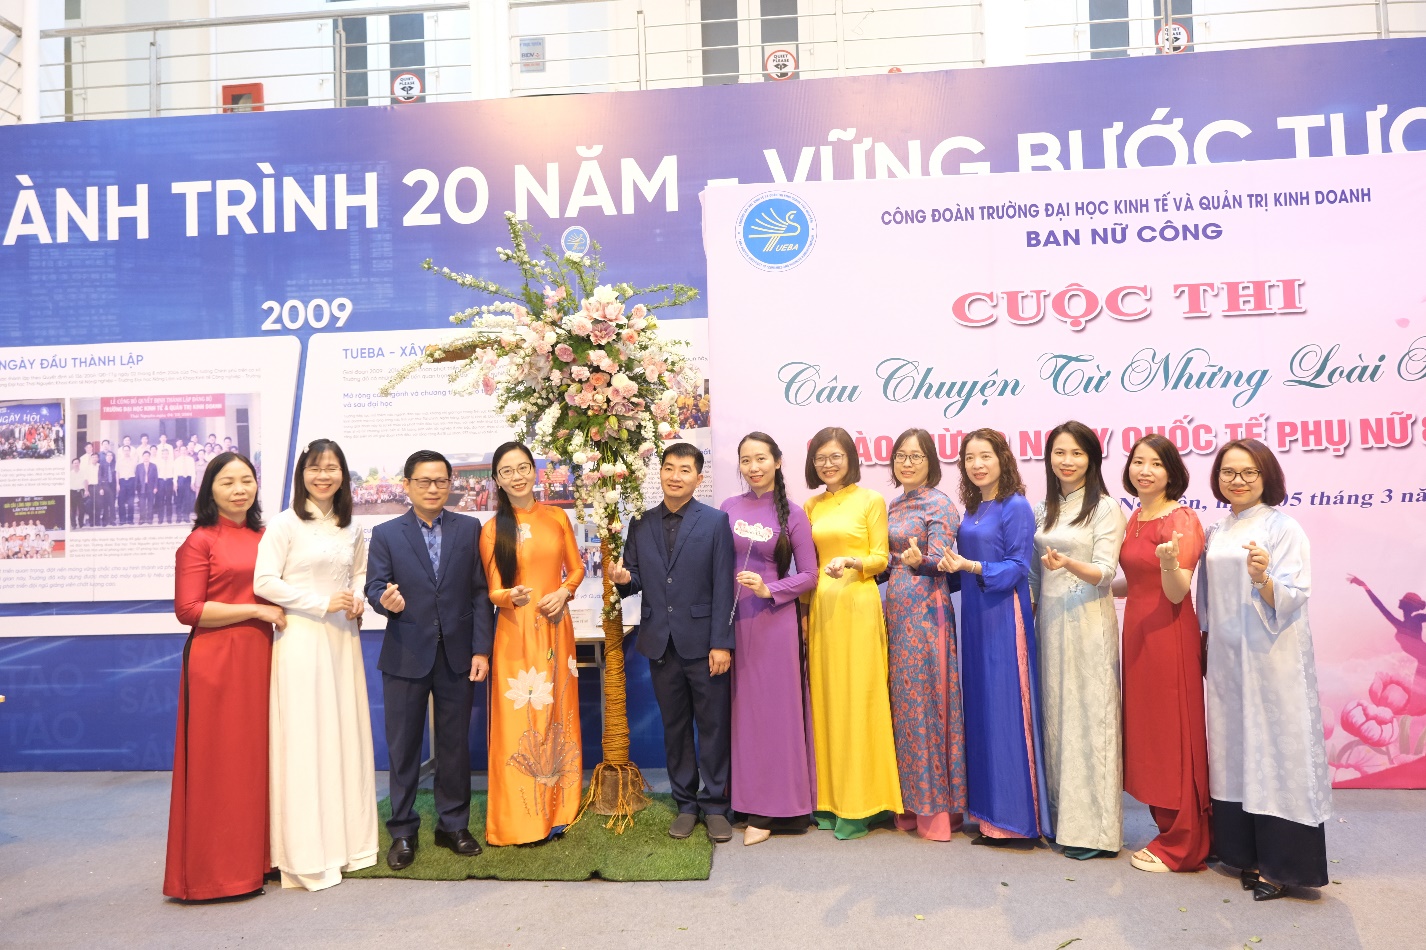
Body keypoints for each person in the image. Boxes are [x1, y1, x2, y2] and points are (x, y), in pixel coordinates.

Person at [1200, 439, 1331, 900]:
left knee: (1274, 749)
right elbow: (1205, 598)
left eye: (1248, 472)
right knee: (1234, 747)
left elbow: (1294, 596)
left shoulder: (1283, 528)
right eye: (1228, 472)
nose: (1237, 480)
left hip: (1271, 659)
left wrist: (1262, 578)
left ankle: (1281, 865)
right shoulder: (1217, 529)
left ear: (1266, 476)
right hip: (1227, 662)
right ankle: (1242, 853)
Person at [254, 438, 377, 891]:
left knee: (343, 733)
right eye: (314, 468)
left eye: (332, 468)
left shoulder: (352, 527)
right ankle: (307, 852)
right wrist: (320, 603)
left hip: (343, 638)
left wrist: (357, 598)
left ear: (343, 475)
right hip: (302, 638)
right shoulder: (284, 524)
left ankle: (350, 845)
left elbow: (359, 573)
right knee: (306, 738)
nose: (323, 476)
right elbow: (264, 582)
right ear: (301, 474)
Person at [165, 452, 283, 901]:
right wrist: (256, 610)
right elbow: (189, 610)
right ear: (210, 489)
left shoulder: (266, 536)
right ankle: (216, 873)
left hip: (263, 657)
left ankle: (260, 860)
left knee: (258, 760)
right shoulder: (199, 541)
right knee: (221, 763)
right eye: (227, 481)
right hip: (216, 660)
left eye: (246, 480)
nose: (239, 489)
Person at [366, 449, 493, 868]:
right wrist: (385, 601)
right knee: (404, 748)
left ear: (450, 484)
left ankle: (453, 825)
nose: (433, 488)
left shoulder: (469, 528)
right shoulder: (386, 533)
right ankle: (402, 831)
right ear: (407, 485)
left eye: (441, 481)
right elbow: (375, 587)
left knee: (454, 746)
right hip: (405, 653)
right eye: (424, 481)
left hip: (457, 653)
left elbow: (479, 592)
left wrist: (480, 649)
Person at [611, 443, 736, 842]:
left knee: (713, 726)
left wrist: (722, 643)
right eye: (669, 468)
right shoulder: (641, 523)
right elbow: (636, 578)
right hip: (660, 643)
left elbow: (724, 586)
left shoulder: (715, 522)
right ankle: (685, 803)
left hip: (705, 644)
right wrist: (623, 580)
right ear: (660, 472)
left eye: (685, 469)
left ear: (699, 478)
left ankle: (715, 805)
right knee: (675, 726)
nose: (675, 476)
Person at [936, 428, 1053, 847]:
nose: (977, 464)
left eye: (985, 455)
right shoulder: (973, 508)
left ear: (1002, 458)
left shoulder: (1015, 505)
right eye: (969, 458)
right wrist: (940, 566)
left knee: (1007, 709)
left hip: (1005, 616)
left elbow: (1019, 566)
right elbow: (962, 567)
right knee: (982, 710)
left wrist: (971, 567)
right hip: (974, 617)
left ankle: (1015, 819)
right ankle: (987, 815)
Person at [479, 442, 585, 845]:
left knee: (558, 712)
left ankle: (559, 811)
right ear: (497, 480)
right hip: (515, 631)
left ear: (534, 471)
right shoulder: (493, 530)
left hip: (556, 626)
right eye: (507, 471)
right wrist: (512, 596)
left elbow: (576, 570)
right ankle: (521, 819)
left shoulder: (557, 517)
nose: (517, 476)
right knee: (520, 720)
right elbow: (494, 590)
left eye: (523, 467)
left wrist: (564, 592)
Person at [1030, 421, 1126, 860]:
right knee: (1057, 717)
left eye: (1077, 453)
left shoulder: (1105, 508)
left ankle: (1096, 833)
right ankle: (1062, 821)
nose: (1067, 461)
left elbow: (1106, 572)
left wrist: (1068, 562)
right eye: (1059, 453)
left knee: (1090, 719)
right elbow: (1034, 574)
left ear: (1092, 459)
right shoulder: (1043, 509)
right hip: (1050, 624)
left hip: (1088, 623)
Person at [802, 426, 902, 840]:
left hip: (859, 603)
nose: (828, 464)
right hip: (823, 606)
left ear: (850, 459)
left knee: (861, 698)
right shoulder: (810, 505)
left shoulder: (871, 500)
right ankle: (829, 800)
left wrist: (852, 562)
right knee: (827, 699)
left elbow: (882, 558)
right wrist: (803, 612)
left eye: (836, 456)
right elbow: (807, 565)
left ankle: (864, 804)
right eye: (821, 458)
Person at [720, 432, 819, 845]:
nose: (753, 467)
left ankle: (774, 807)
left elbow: (810, 575)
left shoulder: (793, 513)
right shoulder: (728, 507)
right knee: (743, 715)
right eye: (746, 460)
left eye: (761, 458)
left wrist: (769, 589)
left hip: (774, 623)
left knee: (775, 715)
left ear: (777, 461)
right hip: (735, 622)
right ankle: (745, 800)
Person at [1118, 433, 1210, 874]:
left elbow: (1176, 591)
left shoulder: (1182, 520)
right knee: (1151, 733)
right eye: (1138, 461)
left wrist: (1171, 563)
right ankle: (1167, 829)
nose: (1145, 470)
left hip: (1169, 636)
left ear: (1172, 472)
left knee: (1175, 734)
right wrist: (1081, 577)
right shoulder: (1136, 516)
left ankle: (1185, 842)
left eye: (1156, 463)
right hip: (1137, 634)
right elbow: (1134, 581)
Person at [884, 427, 966, 842]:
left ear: (930, 461)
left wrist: (922, 561)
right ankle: (911, 803)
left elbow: (944, 558)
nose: (907, 462)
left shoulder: (940, 503)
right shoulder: (894, 504)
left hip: (926, 611)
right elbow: (888, 560)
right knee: (904, 706)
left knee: (928, 703)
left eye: (916, 456)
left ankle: (937, 810)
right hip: (897, 613)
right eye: (901, 455)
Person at [135, 450, 159, 525]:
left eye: (147, 456)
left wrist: (155, 487)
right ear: (142, 457)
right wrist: (136, 488)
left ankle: (149, 519)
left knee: (150, 504)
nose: (146, 457)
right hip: (141, 487)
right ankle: (142, 519)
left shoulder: (153, 466)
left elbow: (156, 477)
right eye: (144, 456)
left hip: (150, 487)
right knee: (142, 504)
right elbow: (136, 478)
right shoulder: (139, 466)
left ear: (149, 457)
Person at [117, 441, 137, 525]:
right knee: (121, 502)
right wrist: (117, 484)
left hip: (131, 481)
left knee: (130, 502)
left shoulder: (134, 460)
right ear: (122, 451)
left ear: (130, 451)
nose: (126, 452)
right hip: (122, 481)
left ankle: (130, 520)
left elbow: (136, 472)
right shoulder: (119, 461)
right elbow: (117, 473)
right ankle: (122, 520)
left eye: (127, 450)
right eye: (124, 450)